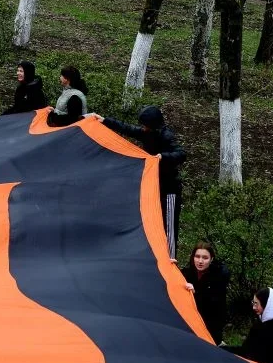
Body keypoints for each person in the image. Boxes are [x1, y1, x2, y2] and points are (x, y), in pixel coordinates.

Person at [96, 104, 186, 238]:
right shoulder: (147, 134)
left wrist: (162, 156)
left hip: (169, 190)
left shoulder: (166, 136)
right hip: (154, 187)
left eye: (145, 125)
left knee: (169, 227)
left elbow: (181, 154)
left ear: (153, 124)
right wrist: (105, 120)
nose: (143, 128)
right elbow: (128, 129)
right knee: (153, 224)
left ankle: (169, 252)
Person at [180, 240, 229, 344]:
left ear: (211, 259)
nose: (200, 261)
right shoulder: (187, 272)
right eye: (197, 256)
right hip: (189, 323)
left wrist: (196, 293)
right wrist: (171, 268)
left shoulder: (219, 276)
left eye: (205, 258)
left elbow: (214, 303)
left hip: (210, 326)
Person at [230, 288, 273, 363]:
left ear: (266, 305)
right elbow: (245, 350)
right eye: (253, 303)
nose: (253, 307)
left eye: (256, 304)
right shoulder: (260, 324)